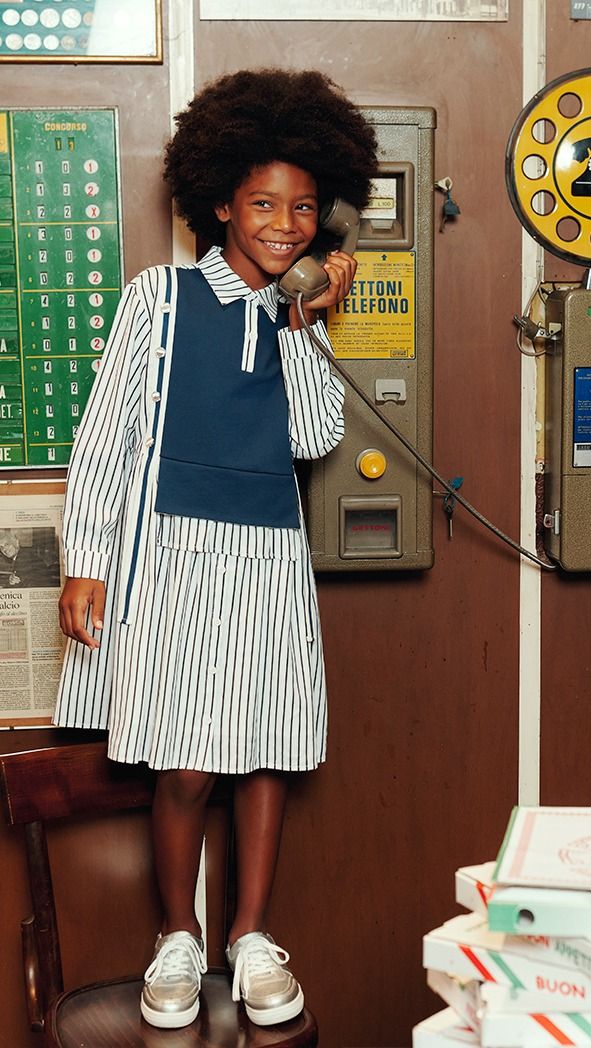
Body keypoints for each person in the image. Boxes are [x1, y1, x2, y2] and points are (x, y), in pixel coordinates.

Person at [54, 68, 377, 1030]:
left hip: (267, 557)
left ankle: (251, 936)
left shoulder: (298, 315)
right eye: (264, 203)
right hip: (171, 557)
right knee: (187, 762)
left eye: (304, 208)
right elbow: (105, 438)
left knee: (265, 753)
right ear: (223, 203)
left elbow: (313, 436)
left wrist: (308, 323)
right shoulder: (159, 298)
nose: (285, 223)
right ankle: (178, 937)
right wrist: (85, 560)